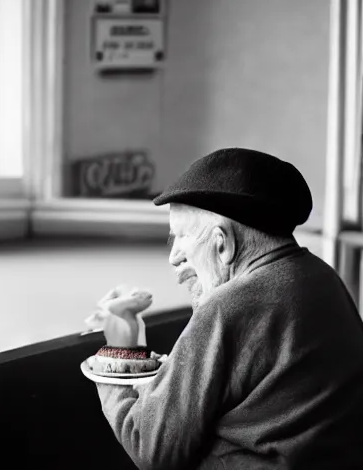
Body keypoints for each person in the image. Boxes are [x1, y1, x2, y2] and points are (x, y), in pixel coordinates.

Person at [85, 148, 363, 469]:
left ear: (223, 243)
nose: (174, 255)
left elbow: (150, 447)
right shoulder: (323, 278)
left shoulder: (228, 307)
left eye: (181, 237)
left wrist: (118, 354)